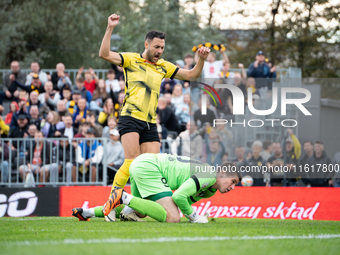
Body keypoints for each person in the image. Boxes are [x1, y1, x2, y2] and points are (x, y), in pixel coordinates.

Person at [98, 13, 210, 216]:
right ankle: (111, 204)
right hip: (130, 117)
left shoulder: (163, 66)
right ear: (147, 45)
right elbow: (104, 53)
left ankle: (132, 208)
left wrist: (201, 60)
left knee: (149, 167)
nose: (159, 51)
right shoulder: (131, 59)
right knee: (132, 161)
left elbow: (192, 74)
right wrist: (110, 28)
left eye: (162, 48)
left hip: (150, 123)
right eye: (156, 47)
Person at [72, 154, 241, 223]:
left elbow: (185, 200)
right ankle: (123, 197)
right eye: (233, 181)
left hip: (143, 164)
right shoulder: (209, 174)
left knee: (139, 212)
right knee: (172, 217)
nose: (233, 187)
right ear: (223, 172)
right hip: (149, 166)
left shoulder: (210, 189)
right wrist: (195, 217)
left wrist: (192, 214)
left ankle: (87, 212)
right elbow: (179, 197)